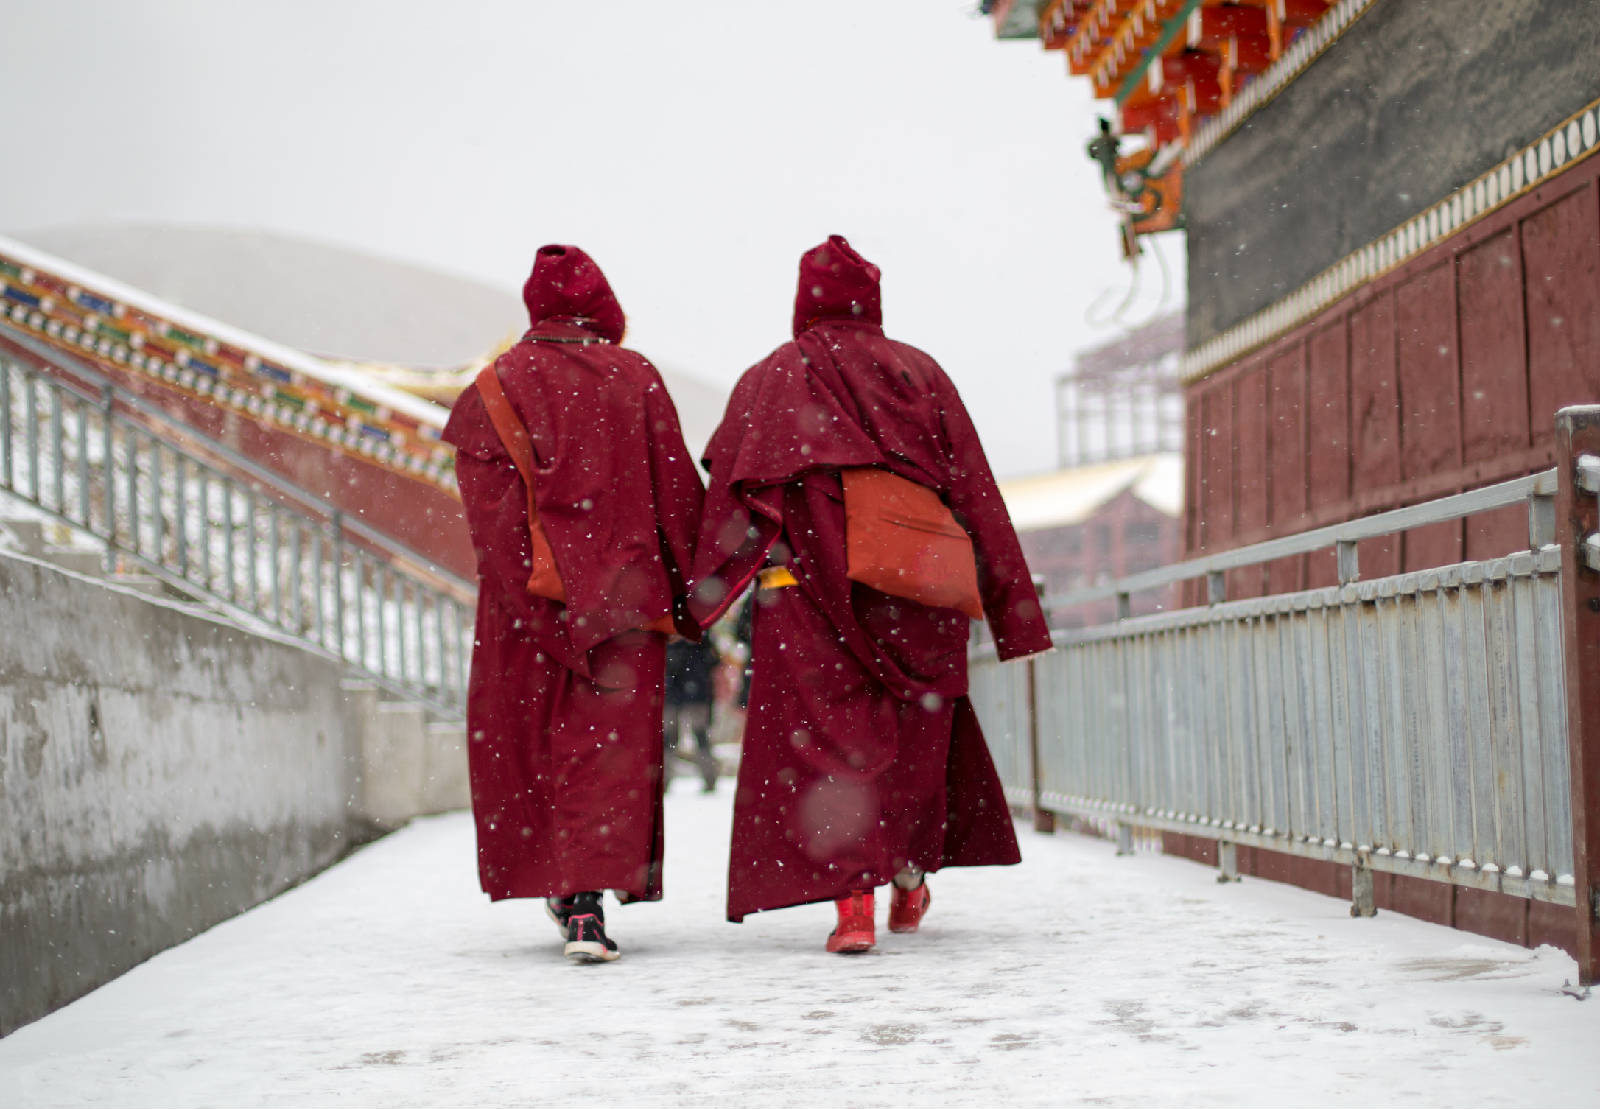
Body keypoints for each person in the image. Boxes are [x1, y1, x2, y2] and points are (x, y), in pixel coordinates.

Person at [690, 235, 1053, 953]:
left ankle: (853, 901)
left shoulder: (772, 376)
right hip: (919, 586)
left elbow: (733, 498)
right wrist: (1013, 610)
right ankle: (910, 875)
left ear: (803, 301)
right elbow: (975, 492)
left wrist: (697, 602)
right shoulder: (921, 373)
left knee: (833, 749)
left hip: (806, 596)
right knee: (915, 740)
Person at [442, 244, 703, 964]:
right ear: (602, 304)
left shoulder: (495, 385)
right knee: (605, 757)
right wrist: (695, 591)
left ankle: (569, 895)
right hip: (624, 606)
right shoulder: (635, 378)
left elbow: (488, 517)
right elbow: (678, 498)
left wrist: (537, 598)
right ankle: (587, 904)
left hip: (525, 608)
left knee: (536, 749)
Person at [663, 638, 721, 792]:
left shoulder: (669, 636)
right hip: (691, 690)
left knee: (671, 737)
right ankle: (709, 777)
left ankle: (664, 779)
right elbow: (713, 660)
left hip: (677, 690)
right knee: (697, 736)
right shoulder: (700, 636)